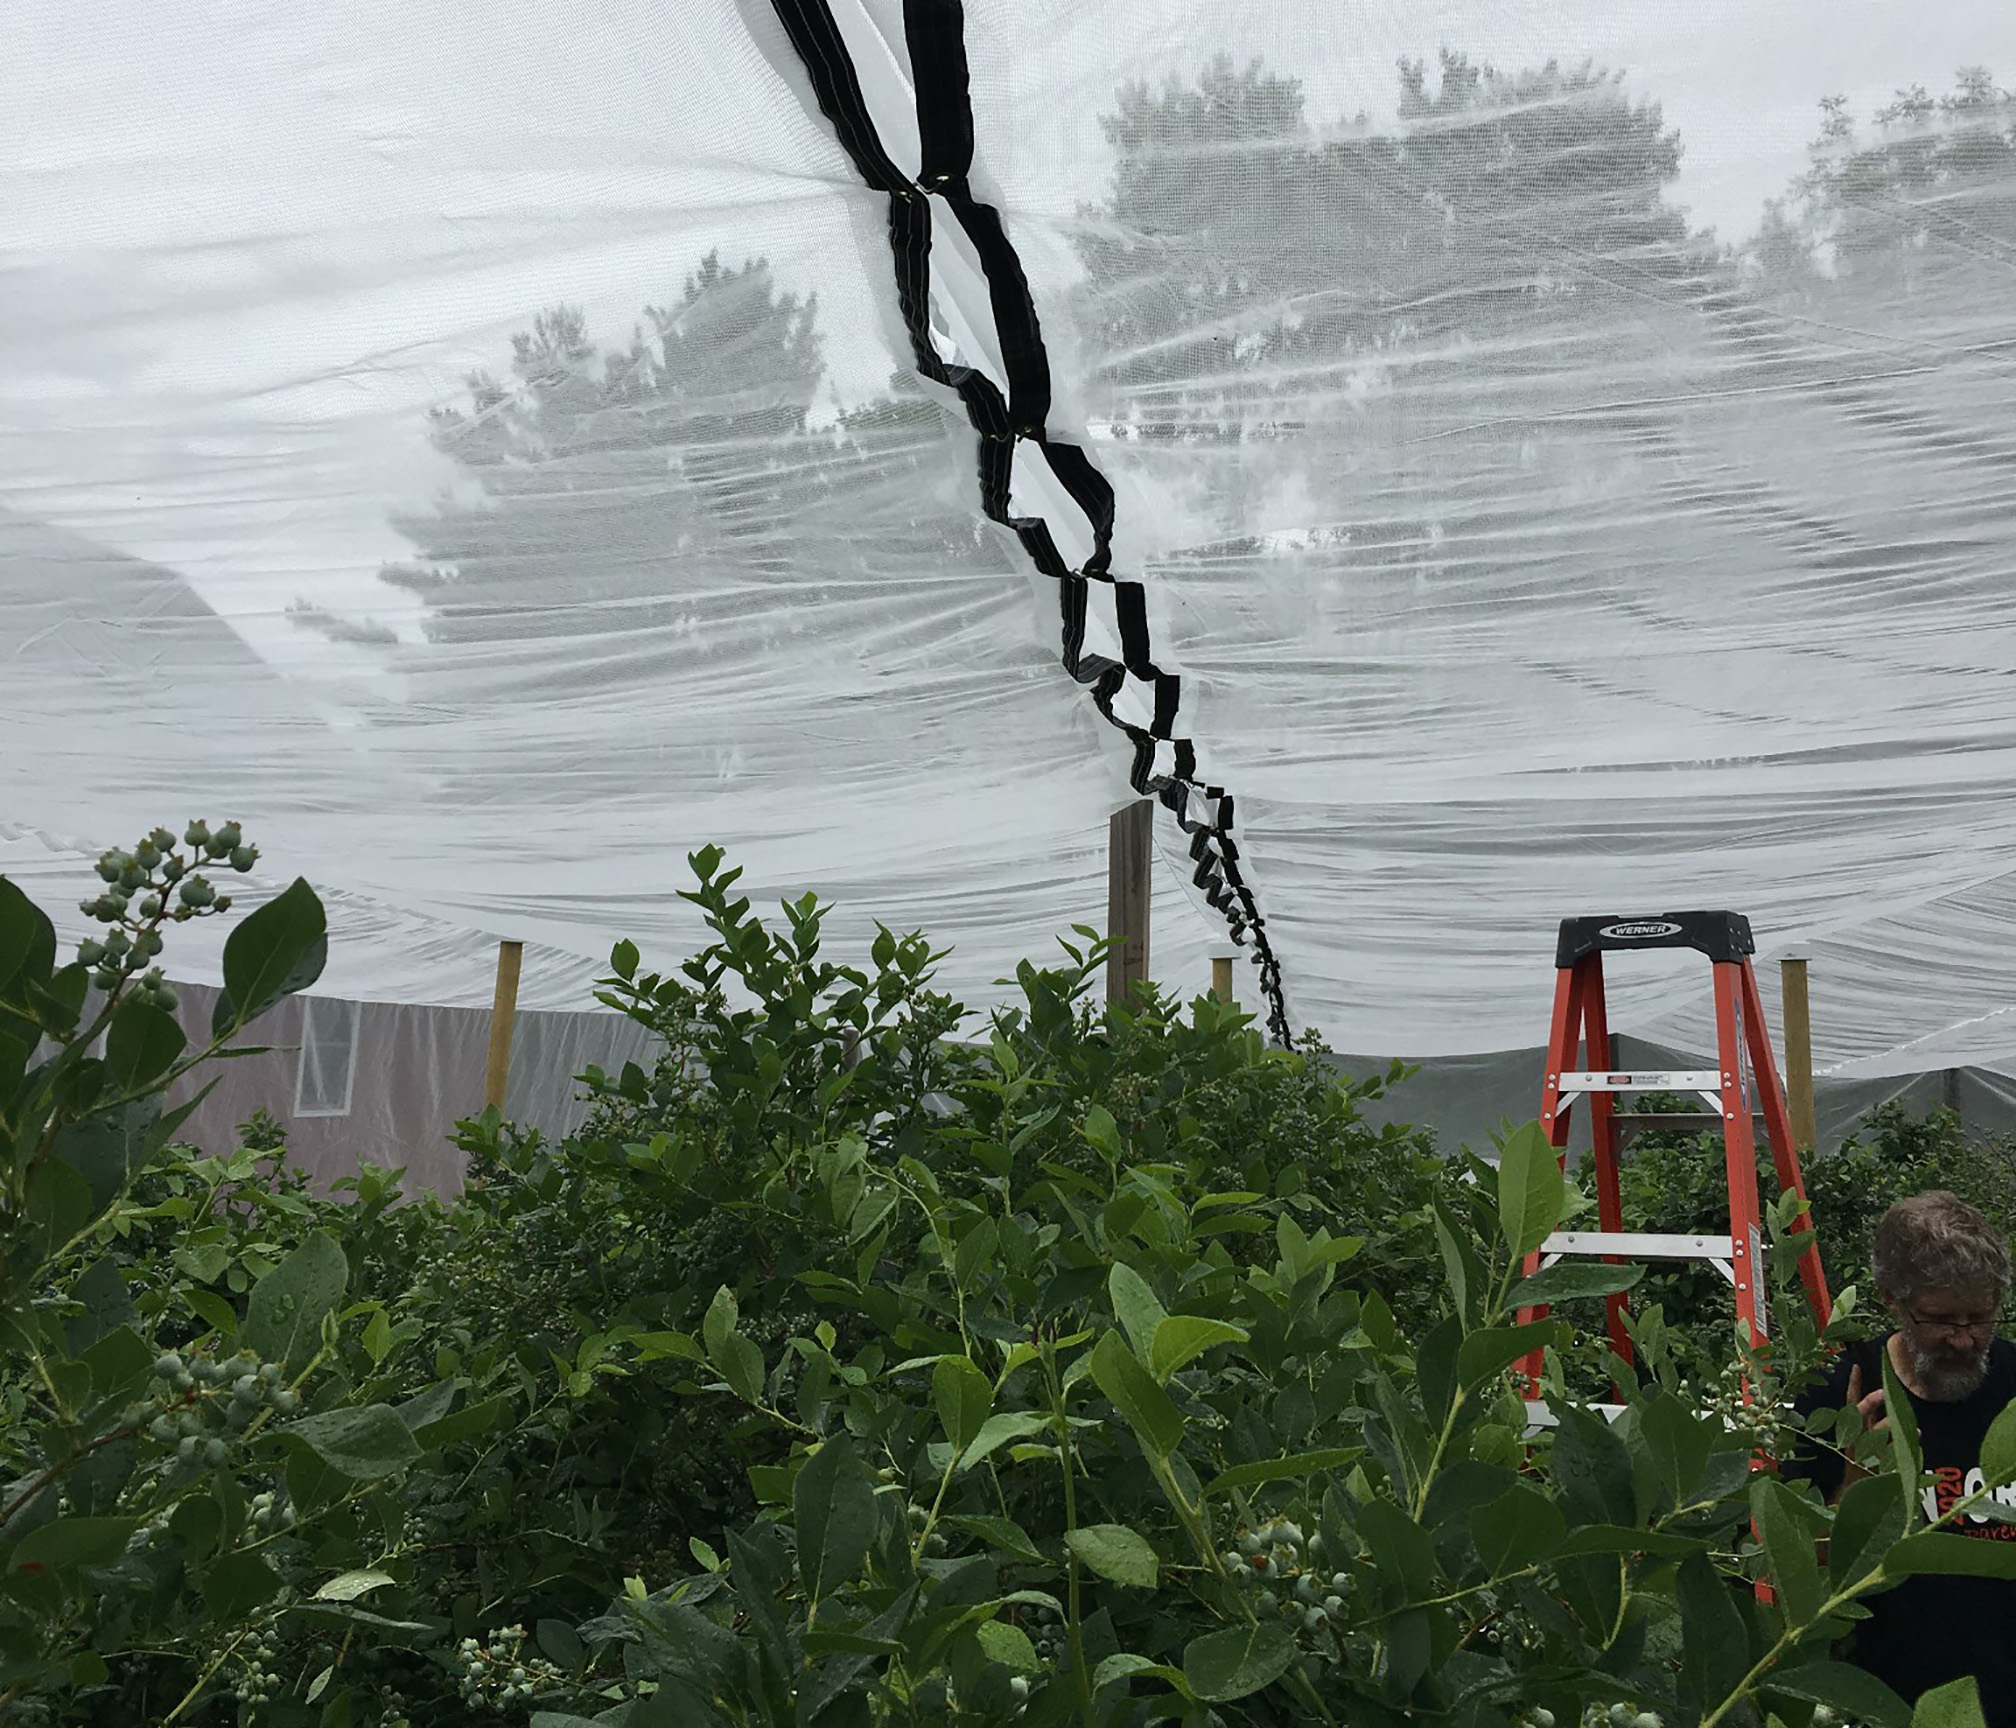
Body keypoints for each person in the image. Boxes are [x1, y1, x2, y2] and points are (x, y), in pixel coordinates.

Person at [1788, 1190, 2016, 1719]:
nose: (1964, 1340)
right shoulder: (1838, 1397)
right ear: (1892, 1299)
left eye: (1979, 1318)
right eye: (1941, 1319)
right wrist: (1856, 1491)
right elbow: (1795, 1573)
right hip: (1890, 1707)